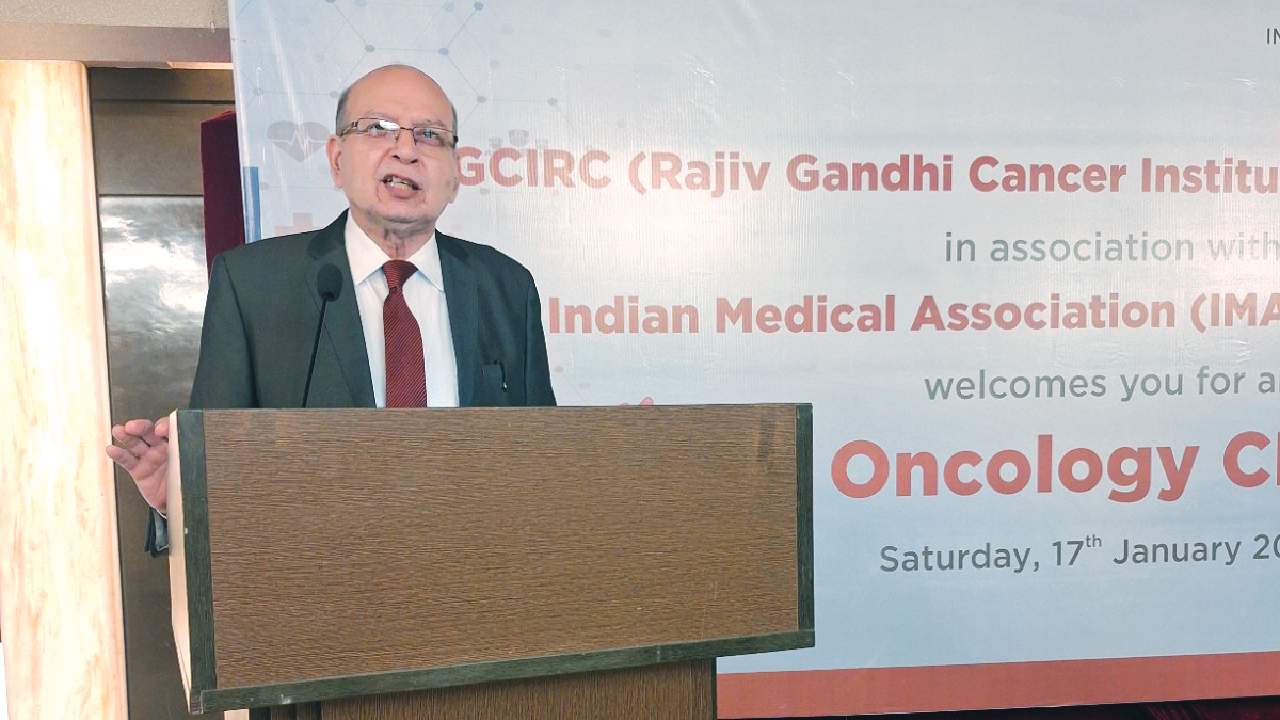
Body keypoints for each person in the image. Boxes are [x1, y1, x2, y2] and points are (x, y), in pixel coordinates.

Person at [105, 65, 556, 552]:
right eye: (379, 128)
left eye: (430, 135)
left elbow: (541, 464)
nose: (406, 150)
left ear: (456, 174)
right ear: (337, 160)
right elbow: (219, 469)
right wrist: (180, 498)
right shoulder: (253, 284)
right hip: (316, 580)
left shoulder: (506, 286)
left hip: (477, 577)